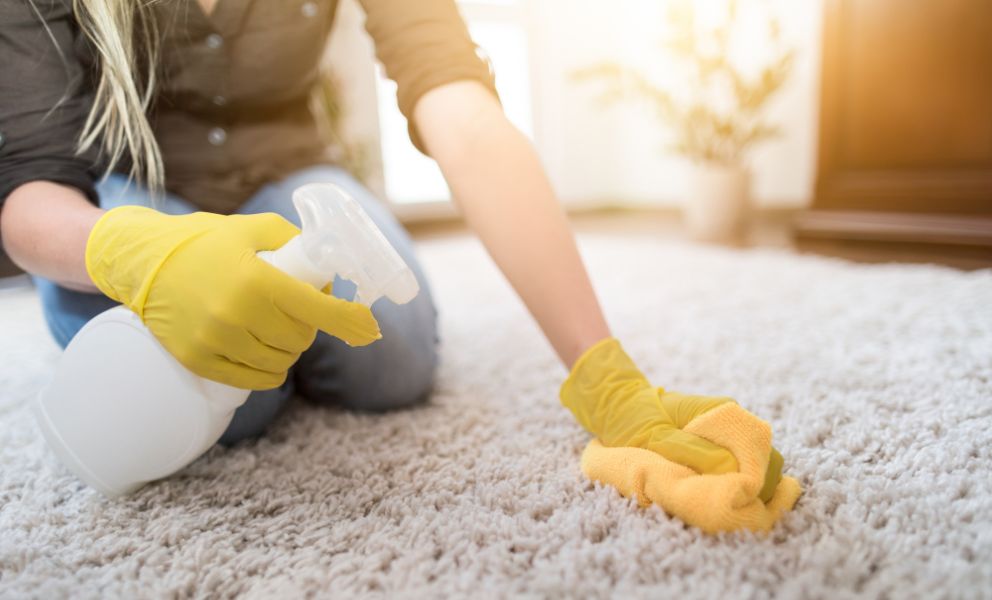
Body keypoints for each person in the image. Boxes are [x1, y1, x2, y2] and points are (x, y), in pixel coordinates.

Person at [0, 0, 783, 500]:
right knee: (236, 404)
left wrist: (608, 376)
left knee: (391, 360)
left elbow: (465, 119)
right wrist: (138, 254)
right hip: (141, 186)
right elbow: (29, 189)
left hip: (287, 169)